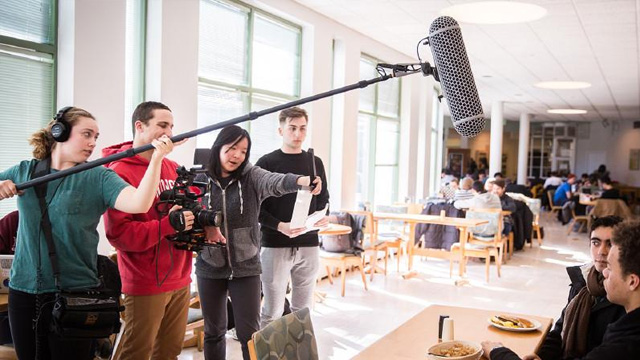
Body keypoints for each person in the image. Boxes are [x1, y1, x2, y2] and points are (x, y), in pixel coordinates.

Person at [0, 107, 175, 360]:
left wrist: (157, 159)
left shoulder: (99, 176)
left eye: (96, 136)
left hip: (77, 293)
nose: (93, 142)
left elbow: (139, 203)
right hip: (24, 291)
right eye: (86, 134)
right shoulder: (26, 171)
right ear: (59, 133)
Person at [194, 125, 321, 360]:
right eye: (232, 148)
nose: (237, 156)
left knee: (250, 335)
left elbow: (275, 181)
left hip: (246, 268)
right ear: (218, 146)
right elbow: (189, 214)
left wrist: (302, 181)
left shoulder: (251, 176)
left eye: (243, 151)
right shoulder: (200, 180)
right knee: (213, 332)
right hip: (209, 266)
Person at [102, 101, 192, 360]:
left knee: (169, 352)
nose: (169, 133)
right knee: (136, 353)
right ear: (139, 126)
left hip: (180, 275)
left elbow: (187, 209)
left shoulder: (172, 168)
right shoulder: (118, 171)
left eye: (171, 126)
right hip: (145, 280)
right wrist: (167, 225)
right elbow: (120, 235)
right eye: (162, 125)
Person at [482, 219, 640, 360]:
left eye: (611, 269)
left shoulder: (626, 340)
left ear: (632, 281)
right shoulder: (583, 281)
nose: (601, 252)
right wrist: (541, 355)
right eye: (596, 242)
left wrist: (499, 352)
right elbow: (560, 330)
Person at [256, 107, 330, 329]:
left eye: (302, 129)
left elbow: (325, 198)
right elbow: (256, 208)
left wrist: (324, 216)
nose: (298, 134)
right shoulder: (266, 163)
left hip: (309, 244)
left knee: (303, 311)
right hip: (275, 244)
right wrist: (280, 226)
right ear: (280, 130)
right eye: (292, 128)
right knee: (272, 311)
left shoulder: (315, 161)